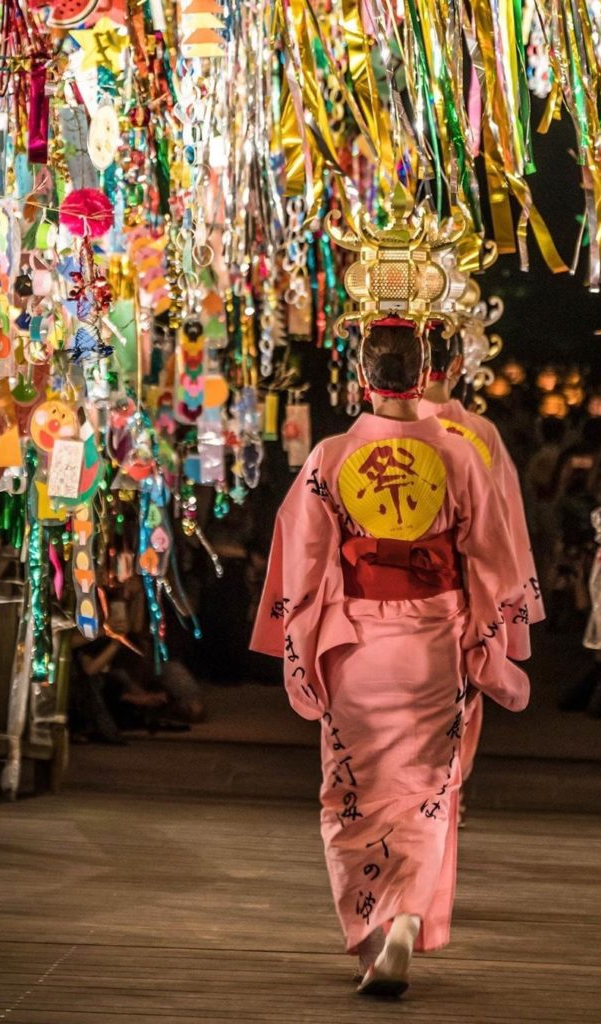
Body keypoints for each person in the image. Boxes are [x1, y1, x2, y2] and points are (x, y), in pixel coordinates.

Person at [251, 318, 530, 998]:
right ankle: (406, 922)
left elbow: (304, 562)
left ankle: (371, 935)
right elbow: (495, 561)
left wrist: (302, 647)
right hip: (433, 647)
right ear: (425, 372)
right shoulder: (461, 454)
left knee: (352, 793)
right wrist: (491, 640)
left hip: (357, 650)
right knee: (428, 792)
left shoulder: (331, 456)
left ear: (363, 377)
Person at [418, 323, 543, 788]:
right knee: (463, 695)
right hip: (466, 589)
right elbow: (504, 526)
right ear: (455, 366)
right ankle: (448, 793)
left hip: (387, 599)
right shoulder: (478, 432)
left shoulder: (379, 431)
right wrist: (509, 602)